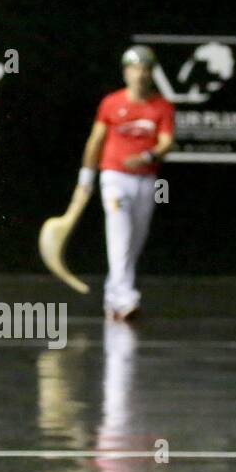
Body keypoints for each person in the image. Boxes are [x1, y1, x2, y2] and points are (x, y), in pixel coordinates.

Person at [73, 45, 175, 320]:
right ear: (125, 72)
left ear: (151, 74)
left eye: (145, 69)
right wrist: (86, 177)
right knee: (120, 238)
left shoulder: (162, 107)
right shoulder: (111, 103)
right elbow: (95, 140)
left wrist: (146, 156)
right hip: (114, 179)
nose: (139, 75)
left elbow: (166, 143)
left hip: (146, 181)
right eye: (134, 69)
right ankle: (125, 297)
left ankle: (113, 297)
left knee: (135, 242)